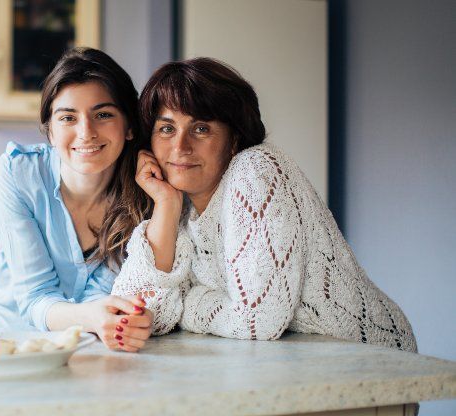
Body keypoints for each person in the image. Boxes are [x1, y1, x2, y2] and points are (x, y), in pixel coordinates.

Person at [111, 57, 417, 352]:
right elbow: (131, 313)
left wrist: (189, 302)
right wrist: (165, 204)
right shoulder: (180, 206)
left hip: (369, 355)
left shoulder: (256, 170)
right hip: (296, 364)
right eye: (166, 129)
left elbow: (258, 321)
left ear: (233, 140)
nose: (180, 147)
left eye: (201, 128)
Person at [0, 48, 153, 353]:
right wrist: (93, 316)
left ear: (129, 126)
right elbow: (35, 296)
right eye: (68, 118)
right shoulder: (18, 173)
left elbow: (105, 296)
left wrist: (105, 317)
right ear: (49, 130)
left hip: (80, 335)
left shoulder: (145, 192)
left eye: (103, 114)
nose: (85, 132)